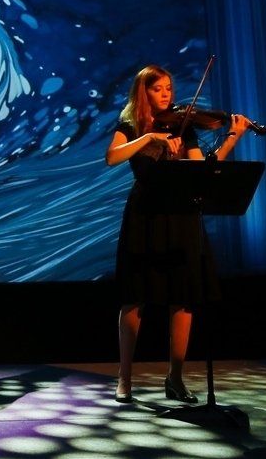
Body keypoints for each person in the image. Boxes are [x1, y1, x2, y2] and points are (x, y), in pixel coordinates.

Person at [105, 64, 249, 404]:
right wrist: (149, 138)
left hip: (180, 214)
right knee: (135, 297)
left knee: (183, 299)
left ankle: (176, 378)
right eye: (159, 89)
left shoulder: (183, 127)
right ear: (144, 92)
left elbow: (202, 171)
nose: (167, 94)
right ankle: (124, 379)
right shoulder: (131, 125)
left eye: (169, 87)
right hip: (146, 215)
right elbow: (112, 157)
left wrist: (233, 137)